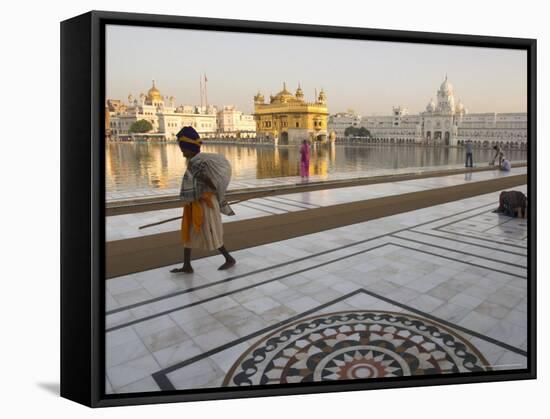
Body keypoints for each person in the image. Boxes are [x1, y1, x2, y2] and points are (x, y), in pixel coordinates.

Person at [170, 126, 236, 274]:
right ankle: (187, 265)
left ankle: (229, 258)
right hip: (196, 203)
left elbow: (211, 184)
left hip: (206, 204)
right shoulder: (196, 160)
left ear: (190, 148)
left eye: (183, 150)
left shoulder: (198, 162)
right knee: (189, 232)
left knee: (211, 232)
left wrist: (204, 182)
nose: (182, 154)